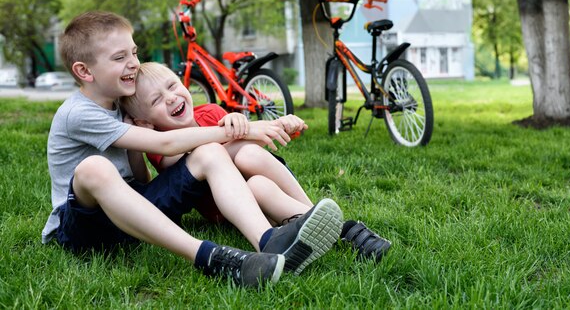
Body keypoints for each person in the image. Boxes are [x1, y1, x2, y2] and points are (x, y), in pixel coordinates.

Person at [42, 11, 344, 288]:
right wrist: (245, 129)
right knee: (94, 167)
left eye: (133, 52)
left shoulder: (122, 109)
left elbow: (142, 184)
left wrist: (135, 145)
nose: (133, 63)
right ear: (84, 71)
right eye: (119, 57)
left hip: (131, 219)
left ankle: (267, 240)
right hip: (81, 230)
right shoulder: (78, 113)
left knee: (209, 151)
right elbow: (166, 144)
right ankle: (212, 257)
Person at [120, 62, 391, 262]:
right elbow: (179, 160)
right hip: (228, 208)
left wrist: (258, 124)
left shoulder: (212, 112)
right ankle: (333, 229)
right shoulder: (163, 143)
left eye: (172, 86)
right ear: (146, 122)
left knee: (257, 176)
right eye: (156, 100)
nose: (171, 98)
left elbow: (249, 138)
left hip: (260, 184)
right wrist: (235, 132)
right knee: (240, 156)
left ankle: (318, 219)